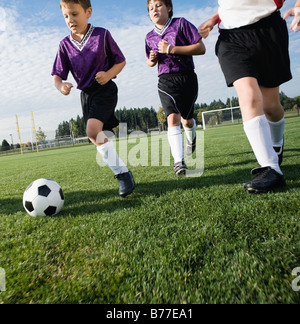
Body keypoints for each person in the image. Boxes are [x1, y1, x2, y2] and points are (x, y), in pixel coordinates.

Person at [198, 0, 299, 194]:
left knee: (271, 106)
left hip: (267, 30)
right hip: (231, 37)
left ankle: (277, 144)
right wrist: (213, 19)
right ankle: (271, 169)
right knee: (250, 97)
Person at [52, 0, 135, 198]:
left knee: (92, 131)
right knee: (96, 136)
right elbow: (57, 74)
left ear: (88, 12)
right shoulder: (64, 44)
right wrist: (60, 86)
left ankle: (123, 175)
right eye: (66, 16)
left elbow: (120, 60)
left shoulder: (102, 34)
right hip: (86, 95)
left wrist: (108, 74)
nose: (70, 20)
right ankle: (122, 169)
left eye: (74, 14)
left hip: (105, 88)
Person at [145, 0, 206, 175]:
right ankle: (179, 162)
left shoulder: (181, 24)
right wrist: (152, 60)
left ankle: (191, 137)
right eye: (150, 8)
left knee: (187, 120)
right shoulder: (149, 36)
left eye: (158, 5)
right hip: (165, 80)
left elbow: (201, 48)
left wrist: (171, 49)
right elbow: (149, 62)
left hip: (187, 77)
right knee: (172, 118)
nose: (154, 10)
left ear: (169, 8)